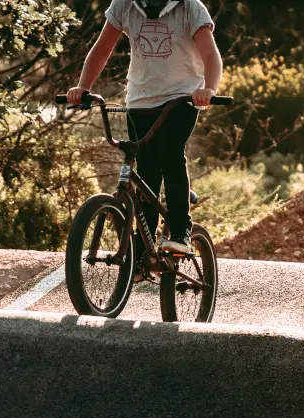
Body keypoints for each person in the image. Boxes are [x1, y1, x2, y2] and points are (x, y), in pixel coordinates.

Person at [67, 0, 222, 255]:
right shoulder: (124, 5)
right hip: (139, 102)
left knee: (170, 155)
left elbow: (210, 56)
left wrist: (209, 90)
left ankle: (180, 228)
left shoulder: (190, 8)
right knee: (147, 168)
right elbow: (102, 50)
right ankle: (144, 248)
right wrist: (83, 87)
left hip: (181, 99)